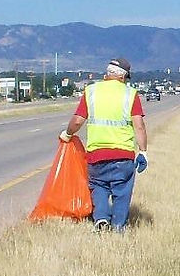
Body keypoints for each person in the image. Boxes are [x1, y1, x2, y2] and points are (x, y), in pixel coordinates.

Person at [59, 58, 147, 232]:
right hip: (123, 155)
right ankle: (118, 227)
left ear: (107, 74)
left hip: (96, 154)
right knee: (122, 192)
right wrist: (143, 151)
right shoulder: (131, 94)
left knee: (98, 187)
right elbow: (139, 126)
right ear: (123, 77)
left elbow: (77, 121)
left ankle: (101, 218)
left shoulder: (91, 91)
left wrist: (67, 134)